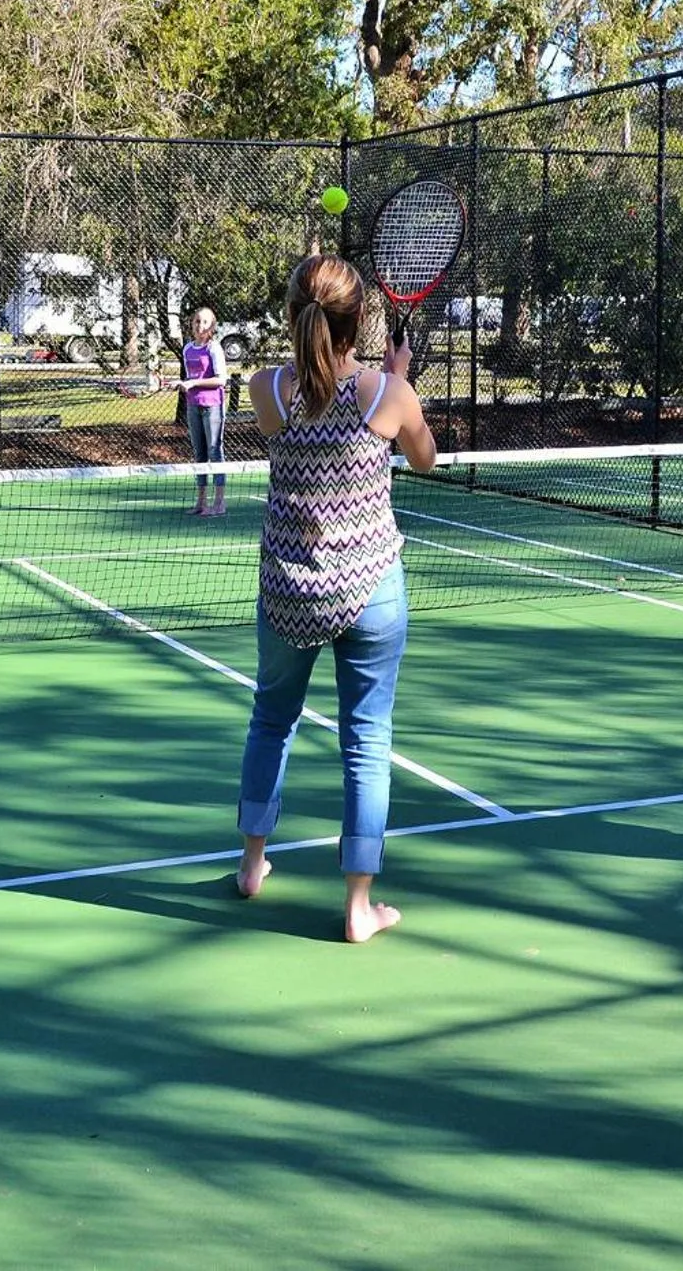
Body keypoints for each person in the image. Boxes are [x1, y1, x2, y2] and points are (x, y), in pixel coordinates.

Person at [235, 254, 436, 943]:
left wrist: (387, 381)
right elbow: (424, 458)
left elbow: (312, 403)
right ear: (361, 320)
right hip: (371, 588)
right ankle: (359, 908)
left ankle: (252, 867)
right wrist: (399, 381)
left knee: (271, 721)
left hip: (287, 588)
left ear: (294, 317)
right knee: (367, 741)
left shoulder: (265, 390)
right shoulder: (387, 393)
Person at [177, 307, 230, 516]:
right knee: (199, 454)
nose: (200, 326)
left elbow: (221, 379)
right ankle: (201, 502)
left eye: (205, 322)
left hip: (213, 405)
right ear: (192, 324)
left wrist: (193, 383)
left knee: (215, 450)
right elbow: (190, 379)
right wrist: (184, 384)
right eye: (197, 321)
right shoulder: (187, 349)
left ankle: (219, 503)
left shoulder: (214, 348)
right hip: (193, 405)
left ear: (212, 326)